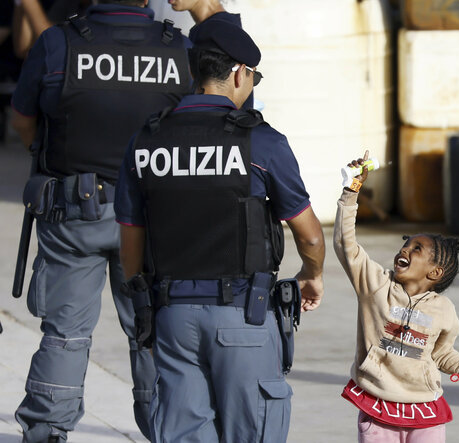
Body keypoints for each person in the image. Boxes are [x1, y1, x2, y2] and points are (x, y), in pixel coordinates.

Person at [114, 19, 325, 442]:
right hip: (243, 318)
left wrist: (144, 305)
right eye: (254, 76)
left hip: (173, 317)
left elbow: (131, 239)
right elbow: (310, 234)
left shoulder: (147, 140)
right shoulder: (261, 143)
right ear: (238, 73)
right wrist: (311, 273)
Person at [10, 0, 191, 440]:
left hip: (75, 211)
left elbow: (23, 121)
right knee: (152, 332)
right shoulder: (179, 50)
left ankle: (47, 430)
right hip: (152, 220)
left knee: (65, 335)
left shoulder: (59, 43)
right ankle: (168, 430)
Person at [333, 152, 459, 443]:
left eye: (416, 249)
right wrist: (350, 192)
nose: (405, 250)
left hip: (425, 411)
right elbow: (347, 246)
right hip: (378, 407)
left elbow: (442, 353)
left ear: (435, 272)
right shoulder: (376, 286)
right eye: (406, 244)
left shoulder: (444, 310)